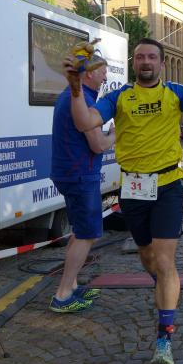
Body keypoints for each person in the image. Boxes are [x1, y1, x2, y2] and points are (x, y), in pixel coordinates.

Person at [64, 38, 183, 364]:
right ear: (134, 63)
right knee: (147, 256)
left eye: (152, 57)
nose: (146, 61)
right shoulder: (120, 97)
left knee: (165, 261)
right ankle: (165, 286)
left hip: (168, 185)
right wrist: (74, 86)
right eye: (140, 57)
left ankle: (164, 338)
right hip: (134, 187)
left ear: (161, 64)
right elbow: (85, 122)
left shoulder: (175, 93)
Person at [49, 56, 115, 313]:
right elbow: (98, 145)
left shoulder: (71, 95)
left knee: (80, 232)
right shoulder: (83, 100)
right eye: (103, 72)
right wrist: (115, 134)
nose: (106, 77)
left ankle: (73, 285)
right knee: (88, 234)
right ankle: (63, 294)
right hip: (80, 174)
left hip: (70, 173)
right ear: (88, 74)